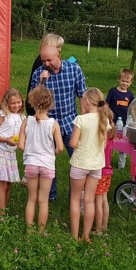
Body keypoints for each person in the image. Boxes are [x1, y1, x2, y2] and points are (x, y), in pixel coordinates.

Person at [29, 43, 87, 202]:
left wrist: (84, 118)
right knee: (47, 161)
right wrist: (41, 83)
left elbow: (82, 94)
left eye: (49, 60)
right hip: (48, 125)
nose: (46, 64)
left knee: (77, 159)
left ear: (59, 57)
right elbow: (33, 100)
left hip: (69, 122)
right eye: (43, 61)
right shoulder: (38, 73)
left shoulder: (74, 69)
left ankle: (75, 195)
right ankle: (50, 195)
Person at [68, 87, 114, 241]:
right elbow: (104, 143)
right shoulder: (104, 120)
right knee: (89, 201)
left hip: (80, 163)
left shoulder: (81, 119)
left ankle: (75, 236)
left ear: (86, 102)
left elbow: (73, 143)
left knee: (75, 199)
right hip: (96, 166)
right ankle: (86, 235)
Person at [19, 86, 65, 233]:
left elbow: (20, 145)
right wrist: (51, 154)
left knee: (31, 198)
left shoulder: (26, 121)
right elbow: (60, 148)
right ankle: (41, 232)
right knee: (43, 200)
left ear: (32, 102)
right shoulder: (53, 124)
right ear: (50, 104)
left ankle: (29, 230)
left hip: (31, 164)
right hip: (47, 165)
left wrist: (30, 152)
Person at [0, 88, 25, 216]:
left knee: (8, 185)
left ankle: (5, 210)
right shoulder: (2, 115)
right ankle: (2, 217)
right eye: (13, 103)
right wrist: (6, 140)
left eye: (18, 102)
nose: (16, 105)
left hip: (11, 154)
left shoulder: (22, 117)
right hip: (0, 152)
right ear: (7, 103)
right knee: (2, 185)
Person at [26, 33, 65, 116]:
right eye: (58, 47)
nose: (60, 49)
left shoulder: (41, 60)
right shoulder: (42, 63)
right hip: (39, 110)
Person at [106, 68, 135, 169]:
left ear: (131, 82)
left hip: (125, 124)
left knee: (123, 145)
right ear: (119, 79)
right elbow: (106, 105)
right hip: (112, 123)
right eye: (123, 81)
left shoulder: (130, 94)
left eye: (127, 82)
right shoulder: (113, 91)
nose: (124, 83)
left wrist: (134, 120)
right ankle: (106, 163)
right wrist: (107, 118)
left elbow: (132, 108)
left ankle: (121, 166)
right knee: (109, 144)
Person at [94, 141, 114, 235]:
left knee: (98, 201)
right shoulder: (111, 135)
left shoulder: (101, 136)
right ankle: (104, 226)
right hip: (108, 171)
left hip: (100, 172)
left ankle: (98, 229)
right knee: (104, 200)